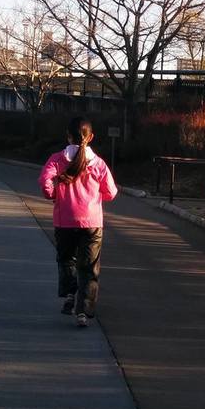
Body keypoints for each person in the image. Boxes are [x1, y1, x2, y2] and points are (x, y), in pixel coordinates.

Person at [39, 118, 118, 328]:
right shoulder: (98, 164)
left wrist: (53, 194)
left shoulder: (57, 159)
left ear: (68, 136)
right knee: (89, 266)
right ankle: (84, 311)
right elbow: (111, 192)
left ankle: (70, 293)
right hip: (92, 221)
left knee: (67, 260)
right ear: (91, 137)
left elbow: (44, 181)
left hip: (64, 220)